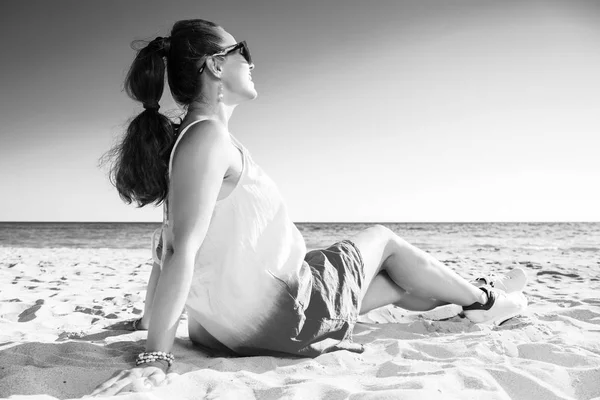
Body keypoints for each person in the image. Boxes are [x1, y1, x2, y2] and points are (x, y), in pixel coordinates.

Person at [93, 19, 527, 395]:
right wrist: (155, 357)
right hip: (281, 315)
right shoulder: (207, 139)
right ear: (216, 65)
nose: (252, 62)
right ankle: (486, 299)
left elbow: (164, 248)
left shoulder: (187, 143)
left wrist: (146, 322)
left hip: (221, 329)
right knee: (384, 240)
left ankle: (459, 302)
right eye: (243, 51)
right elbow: (181, 250)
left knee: (396, 284)